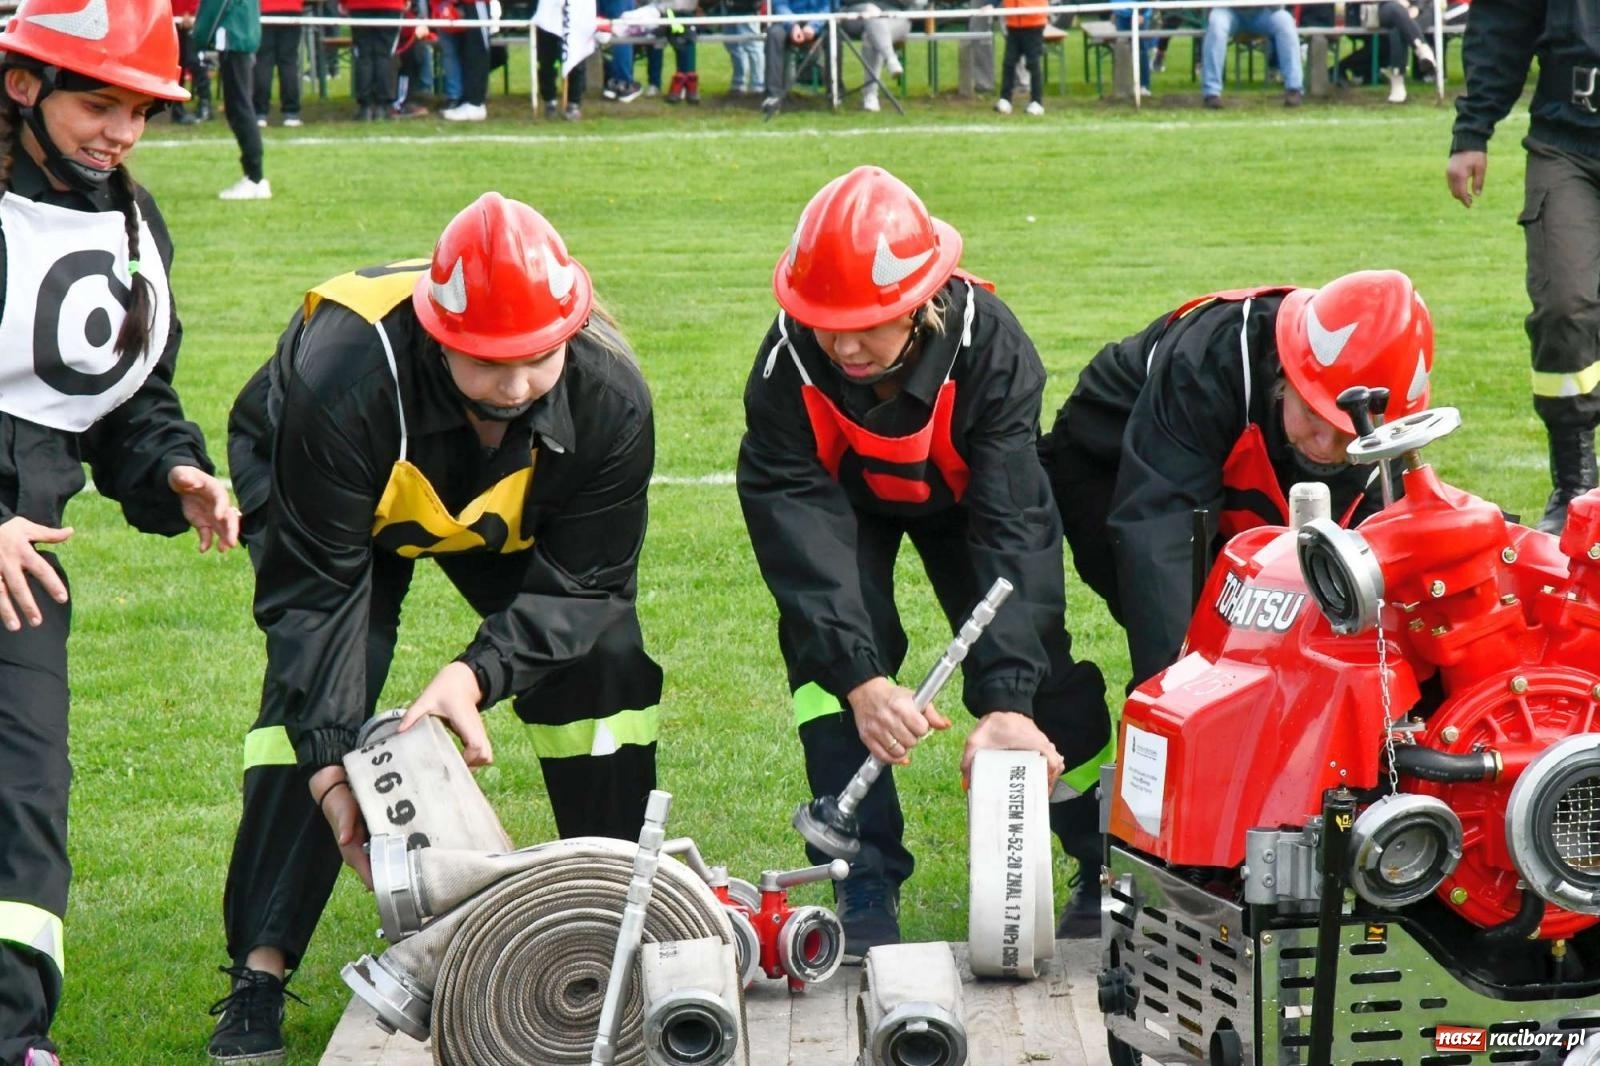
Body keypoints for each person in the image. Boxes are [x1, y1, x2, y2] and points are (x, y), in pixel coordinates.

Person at [206, 192, 663, 1063]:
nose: (520, 383)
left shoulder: (609, 395)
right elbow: (315, 604)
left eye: (539, 356)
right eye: (491, 362)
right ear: (439, 335)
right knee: (314, 698)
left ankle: (613, 918)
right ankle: (258, 972)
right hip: (330, 481)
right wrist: (334, 771)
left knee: (604, 663)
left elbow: (588, 582)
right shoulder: (345, 375)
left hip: (485, 497)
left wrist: (477, 673)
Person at [738, 166, 1112, 958]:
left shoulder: (993, 346)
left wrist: (1009, 697)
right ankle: (860, 875)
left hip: (967, 500)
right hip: (844, 508)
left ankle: (1098, 856)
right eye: (824, 322)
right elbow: (800, 535)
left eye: (867, 323)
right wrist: (859, 677)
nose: (843, 345)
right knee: (827, 664)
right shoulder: (784, 373)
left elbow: (1015, 523)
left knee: (1037, 663)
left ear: (922, 301)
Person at [0, 2, 241, 1062]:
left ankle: (13, 1038)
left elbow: (127, 397)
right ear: (23, 88)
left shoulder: (138, 229)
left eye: (140, 110)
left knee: (24, 796)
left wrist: (170, 466)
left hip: (25, 567)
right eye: (99, 102)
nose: (121, 132)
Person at [1039, 270, 1434, 687]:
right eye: (1316, 417)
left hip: (1237, 470)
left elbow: (1386, 566)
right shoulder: (1214, 358)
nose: (1325, 445)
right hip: (1109, 463)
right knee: (1201, 644)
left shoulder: (1384, 422)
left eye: (1348, 435)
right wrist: (1177, 696)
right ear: (1286, 375)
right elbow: (1160, 534)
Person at [1447, 0, 1600, 534]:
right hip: (1568, 144)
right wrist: (1473, 131)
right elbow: (1502, 24)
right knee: (1563, 306)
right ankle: (1576, 482)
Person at [196, 0, 270, 199]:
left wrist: (200, 38)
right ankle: (254, 176)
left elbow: (216, 6)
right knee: (238, 107)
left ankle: (255, 177)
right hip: (241, 35)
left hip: (233, 37)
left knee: (240, 108)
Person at [1201, 4, 1303, 108]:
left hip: (1265, 11)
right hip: (1228, 10)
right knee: (1216, 24)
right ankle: (1211, 93)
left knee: (1285, 21)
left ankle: (1294, 88)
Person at [253, 0, 304, 126]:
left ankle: (260, 113)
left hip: (264, 9)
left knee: (263, 61)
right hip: (292, 8)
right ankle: (291, 112)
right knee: (288, 61)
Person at [993, 0, 1046, 115]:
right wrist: (991, 4)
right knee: (1009, 63)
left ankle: (1037, 102)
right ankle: (1005, 99)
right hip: (1013, 24)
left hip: (1034, 23)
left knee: (1033, 63)